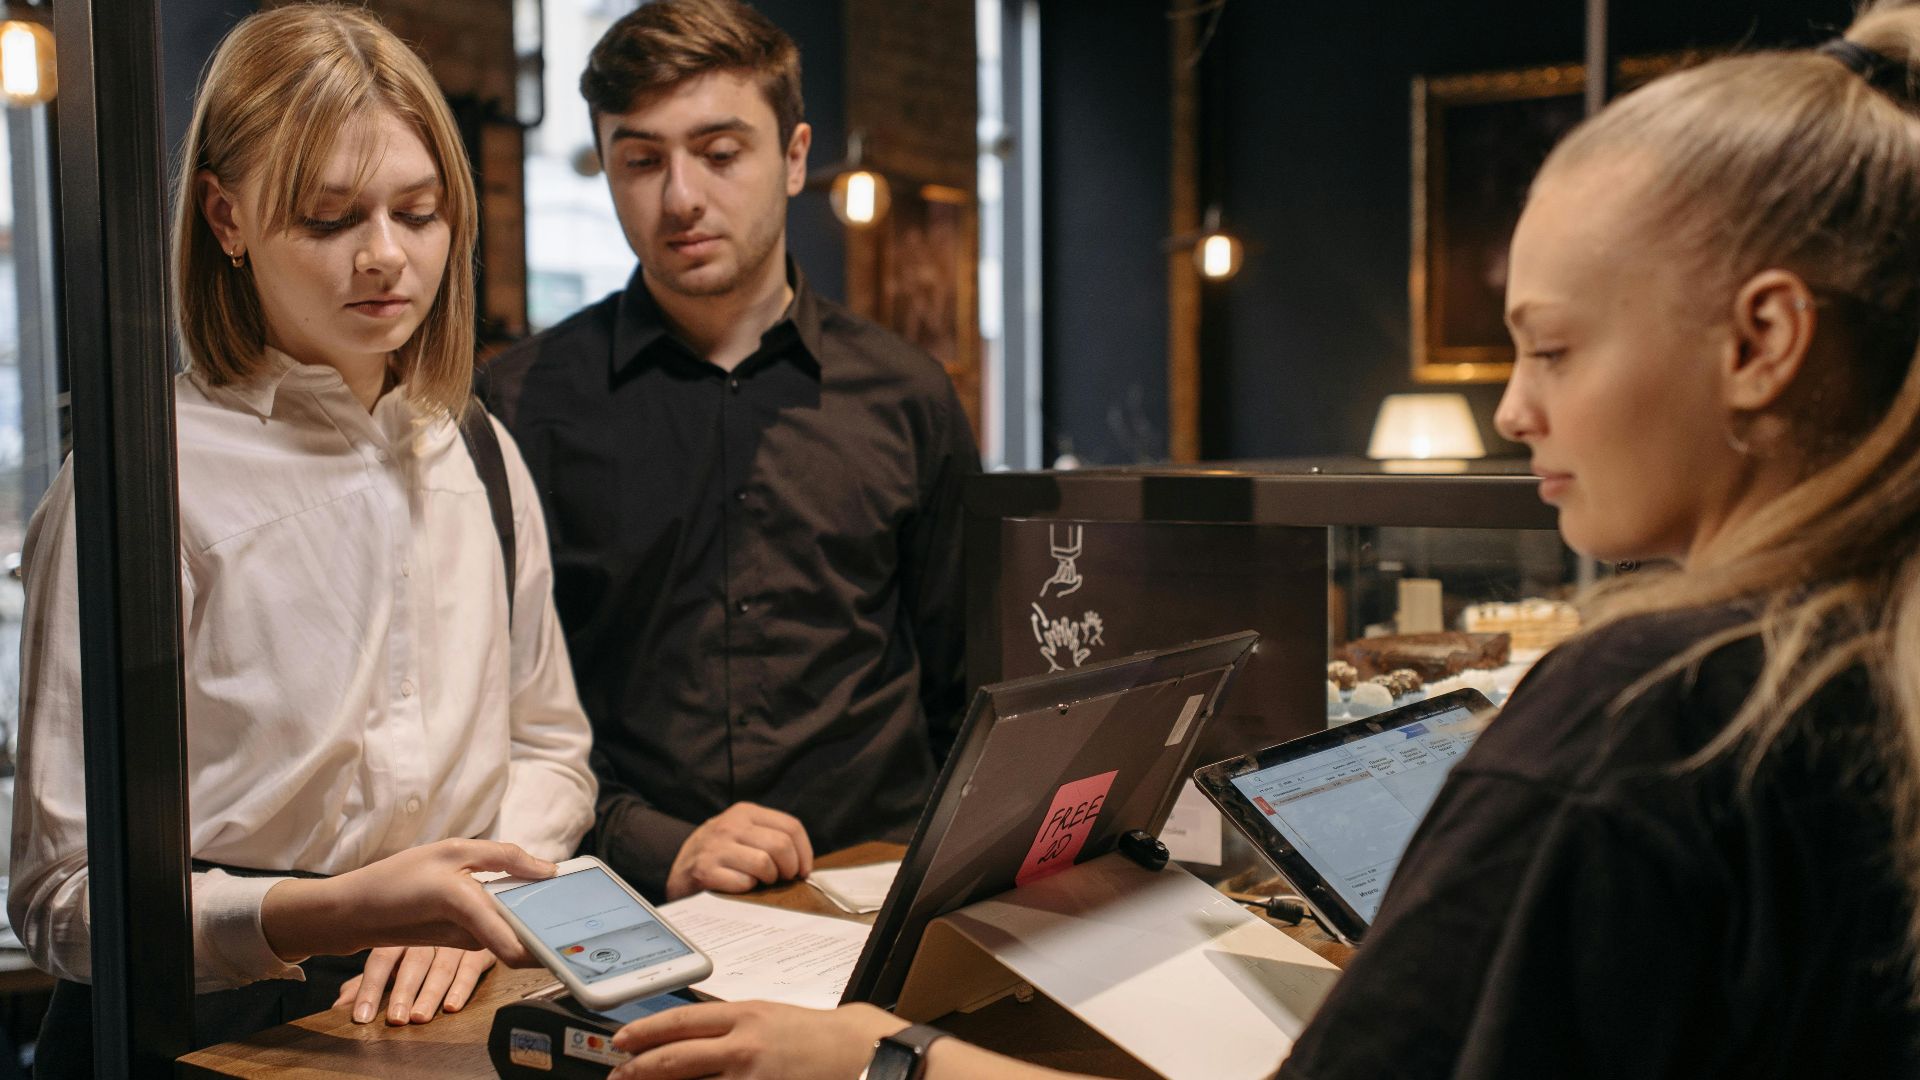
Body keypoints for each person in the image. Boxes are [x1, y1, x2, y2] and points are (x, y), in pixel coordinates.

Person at [596, 2, 1920, 1077]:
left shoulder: (1646, 715)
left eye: (1554, 347)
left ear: (1762, 341)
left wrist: (885, 1058)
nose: (1515, 407)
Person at [9, 5, 596, 1069]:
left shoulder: (476, 447)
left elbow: (552, 749)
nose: (385, 258)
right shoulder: (142, 482)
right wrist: (319, 914)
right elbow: (60, 899)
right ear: (225, 219)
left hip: (452, 1004)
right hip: (218, 1032)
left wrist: (479, 895)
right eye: (329, 220)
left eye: (418, 213)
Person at [481, 0, 979, 903]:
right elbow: (494, 719)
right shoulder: (519, 405)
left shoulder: (908, 394)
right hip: (630, 899)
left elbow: (966, 683)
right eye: (640, 160)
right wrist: (652, 844)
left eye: (719, 153)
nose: (680, 196)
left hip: (882, 883)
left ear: (793, 158)